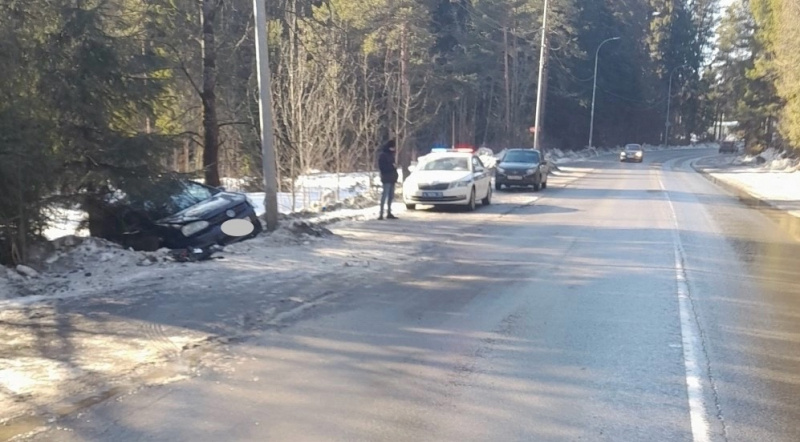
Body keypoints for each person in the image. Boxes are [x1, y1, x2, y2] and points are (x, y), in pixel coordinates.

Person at [378, 139, 399, 220]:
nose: (394, 149)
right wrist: (392, 167)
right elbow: (382, 167)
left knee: (391, 196)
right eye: (393, 147)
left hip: (392, 178)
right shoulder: (383, 155)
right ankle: (381, 213)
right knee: (385, 195)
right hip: (386, 178)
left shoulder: (391, 155)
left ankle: (389, 212)